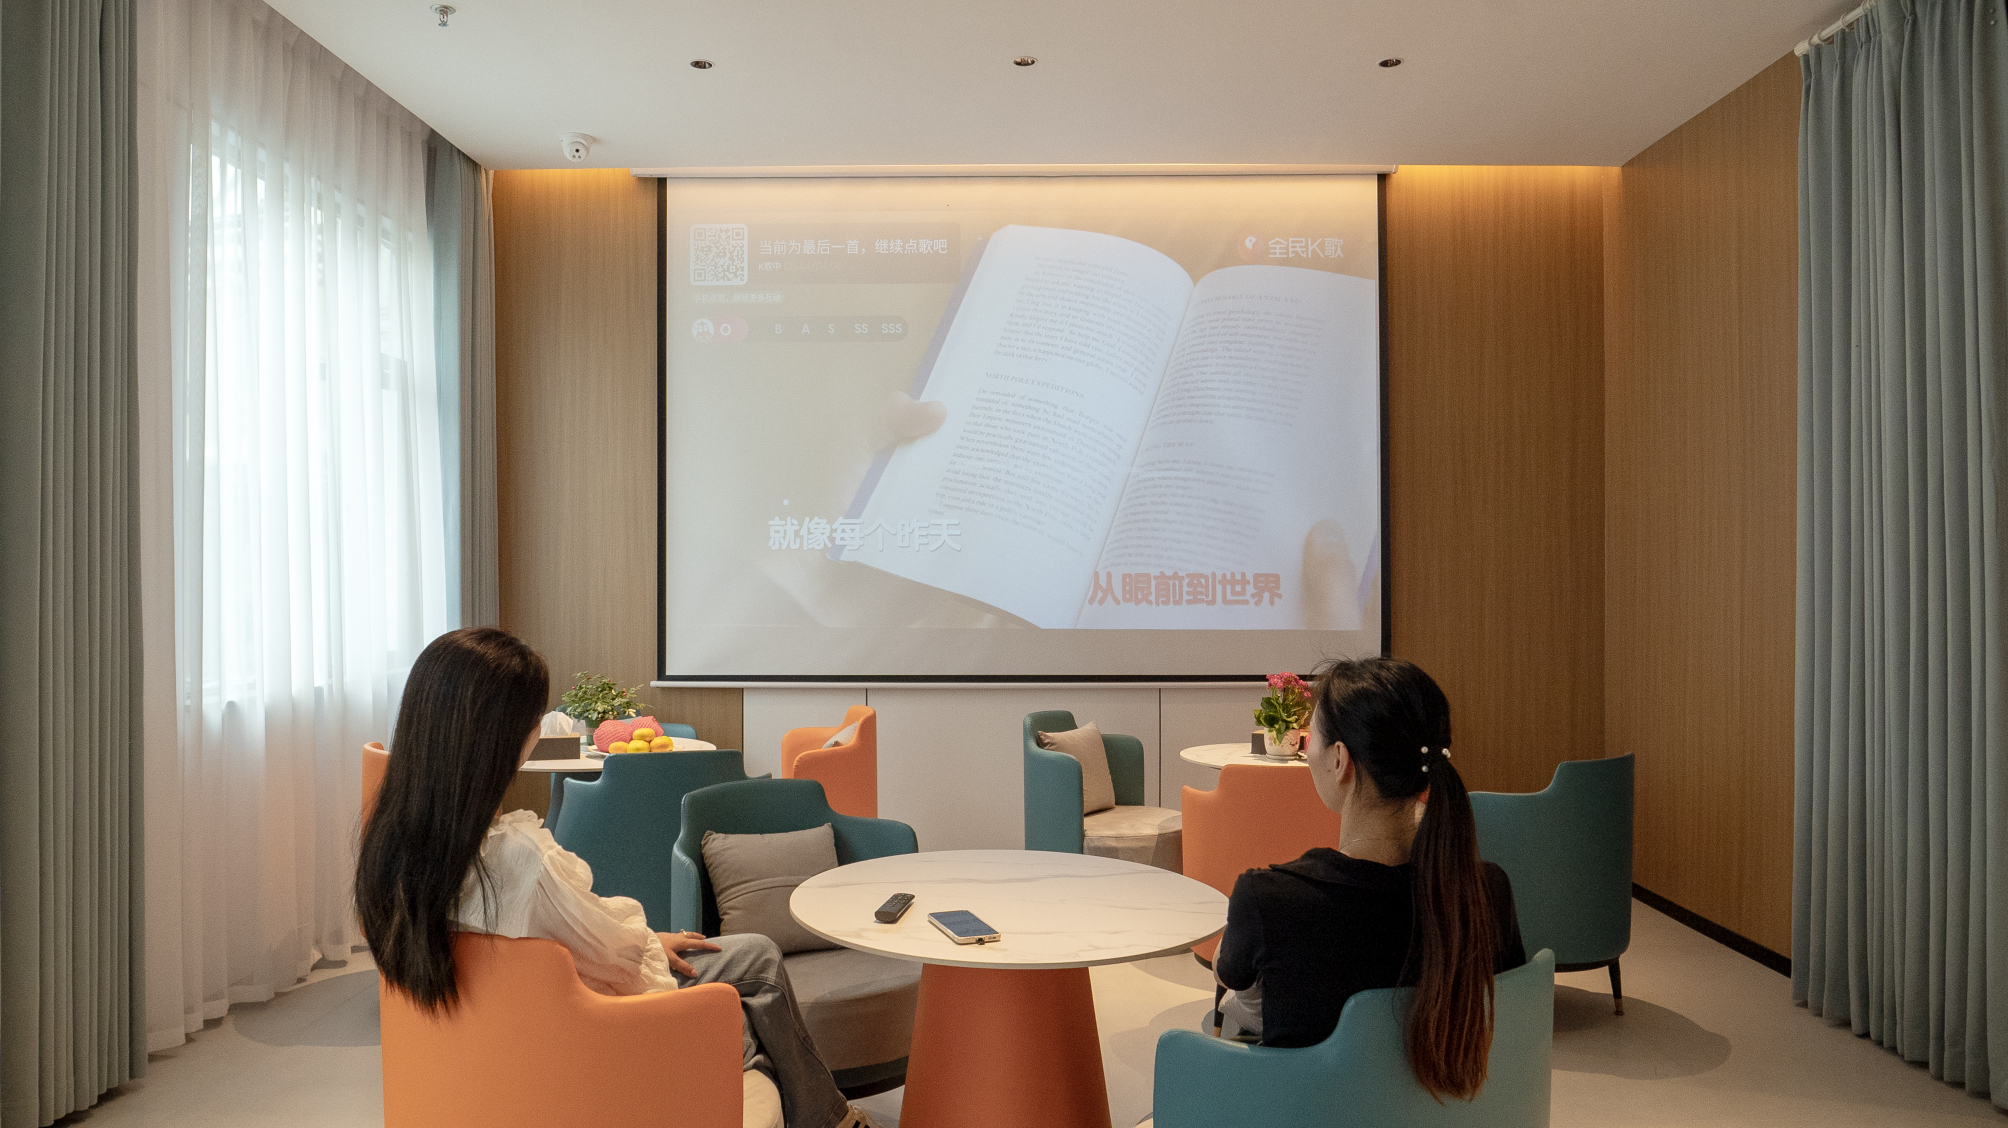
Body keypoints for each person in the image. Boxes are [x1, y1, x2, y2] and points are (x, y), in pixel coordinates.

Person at [354, 627, 883, 1128]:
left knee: (740, 969)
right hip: (594, 1033)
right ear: (502, 736)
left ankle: (826, 1114)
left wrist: (646, 938)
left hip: (500, 1044)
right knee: (756, 969)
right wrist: (646, 943)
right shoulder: (518, 858)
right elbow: (615, 958)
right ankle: (828, 1116)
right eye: (534, 719)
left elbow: (568, 939)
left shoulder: (395, 848)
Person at [1212, 656, 1526, 1101]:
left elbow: (1231, 975)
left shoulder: (1270, 900)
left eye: (1312, 736)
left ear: (1340, 759)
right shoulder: (1485, 891)